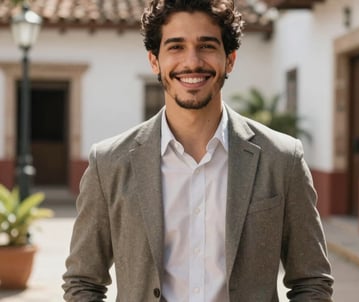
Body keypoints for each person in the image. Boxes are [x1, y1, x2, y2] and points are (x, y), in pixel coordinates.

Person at [62, 0, 334, 301]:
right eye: (176, 47)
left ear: (229, 59)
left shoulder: (282, 159)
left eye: (206, 46)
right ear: (155, 61)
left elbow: (312, 282)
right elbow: (82, 282)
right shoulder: (109, 163)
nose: (192, 62)